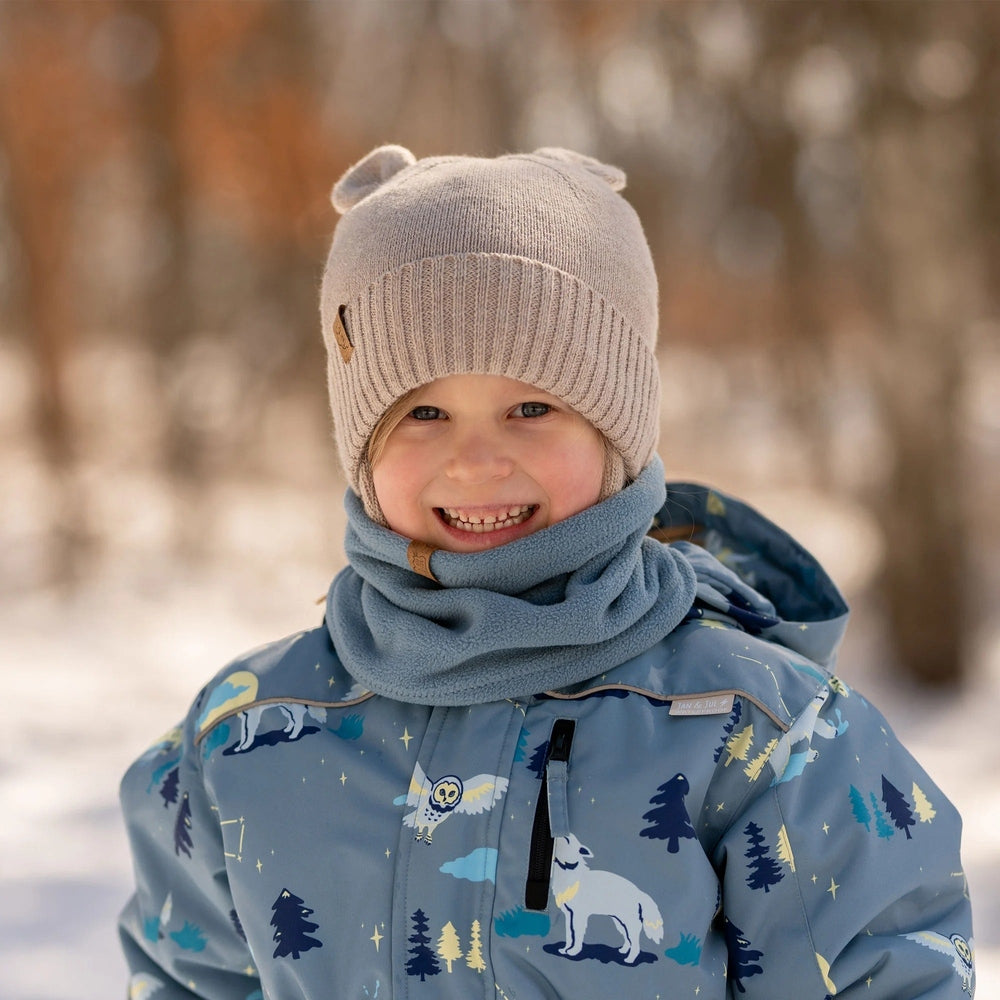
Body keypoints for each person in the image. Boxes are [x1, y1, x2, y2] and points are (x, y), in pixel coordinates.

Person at [118, 145, 975, 999]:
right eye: (423, 412)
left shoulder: (759, 736)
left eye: (533, 407)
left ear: (617, 433)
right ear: (360, 446)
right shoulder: (245, 736)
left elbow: (883, 977)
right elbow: (183, 977)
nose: (477, 460)